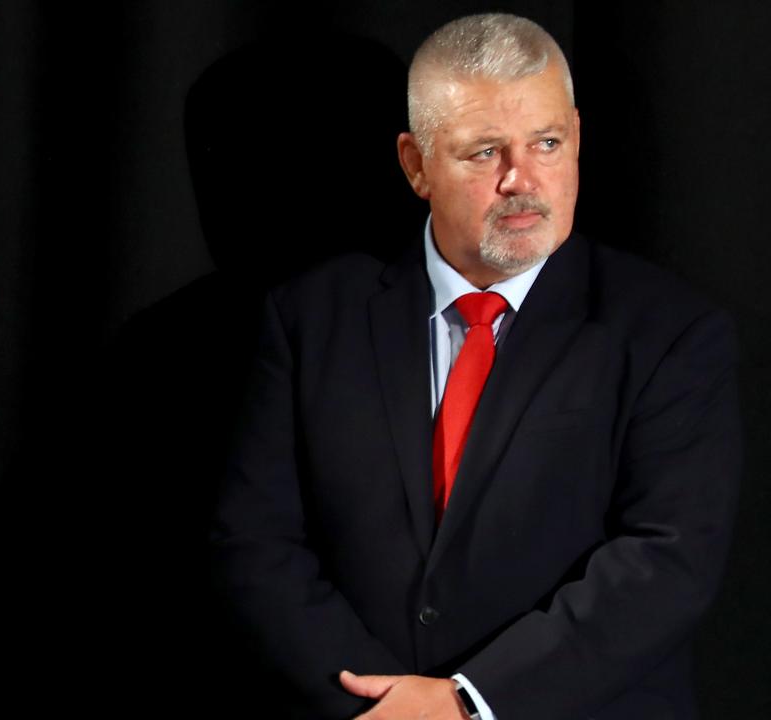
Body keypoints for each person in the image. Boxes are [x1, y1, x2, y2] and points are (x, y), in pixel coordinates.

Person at [212, 13, 741, 720]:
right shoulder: (309, 320)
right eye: (484, 152)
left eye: (547, 143)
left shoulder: (671, 333)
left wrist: (471, 702)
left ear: (578, 137)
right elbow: (255, 542)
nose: (522, 180)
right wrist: (387, 706)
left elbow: (665, 562)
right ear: (415, 164)